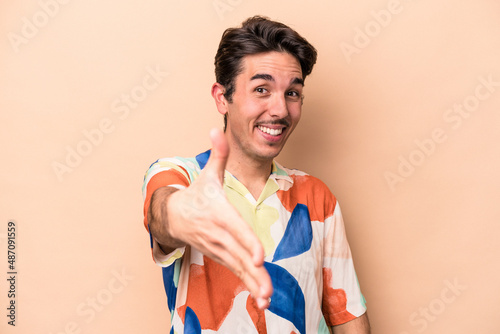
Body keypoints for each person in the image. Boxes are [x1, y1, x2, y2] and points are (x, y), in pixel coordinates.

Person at [142, 16, 371, 333]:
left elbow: (348, 318)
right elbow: (163, 216)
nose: (280, 110)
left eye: (292, 93)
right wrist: (180, 214)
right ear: (223, 98)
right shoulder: (180, 175)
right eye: (262, 89)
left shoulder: (317, 197)